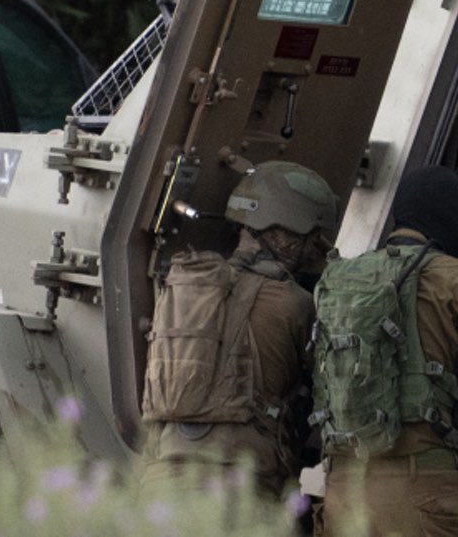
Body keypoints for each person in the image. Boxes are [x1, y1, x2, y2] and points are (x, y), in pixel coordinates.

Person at [319, 166, 458, 537]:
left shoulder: (342, 279)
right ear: (451, 217)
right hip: (425, 492)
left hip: (344, 490)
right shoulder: (457, 280)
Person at [139, 160, 338, 501]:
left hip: (158, 485)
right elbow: (331, 393)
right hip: (241, 494)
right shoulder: (294, 303)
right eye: (311, 238)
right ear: (283, 229)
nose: (312, 250)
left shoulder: (180, 288)